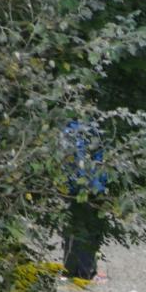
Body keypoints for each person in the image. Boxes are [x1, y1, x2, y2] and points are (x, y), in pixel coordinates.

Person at [61, 120, 109, 281]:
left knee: (71, 229)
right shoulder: (93, 131)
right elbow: (100, 162)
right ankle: (86, 271)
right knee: (89, 230)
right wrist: (100, 186)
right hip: (91, 188)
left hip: (69, 188)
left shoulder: (66, 130)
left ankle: (69, 269)